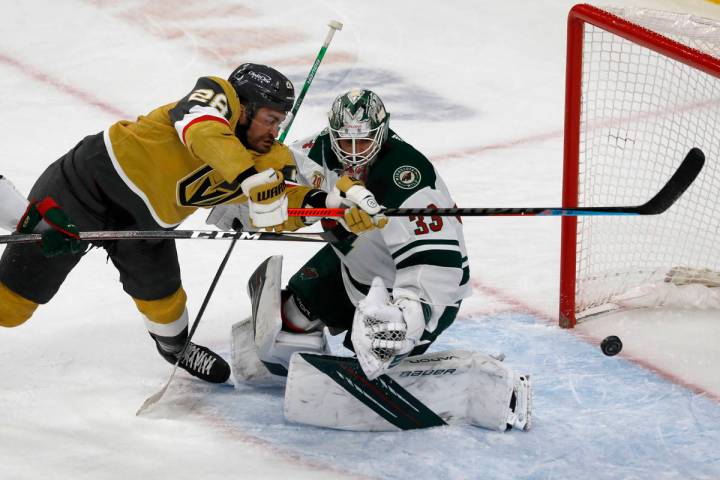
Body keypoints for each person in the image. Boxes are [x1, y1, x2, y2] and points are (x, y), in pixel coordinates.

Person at [0, 66, 386, 385]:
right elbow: (202, 131)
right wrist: (248, 178)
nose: (275, 130)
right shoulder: (216, 95)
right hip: (82, 188)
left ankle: (175, 349)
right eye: (270, 119)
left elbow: (291, 199)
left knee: (166, 303)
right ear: (244, 108)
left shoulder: (265, 158)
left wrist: (332, 208)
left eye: (279, 122)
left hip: (146, 227)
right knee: (10, 309)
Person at [211, 88, 532, 431]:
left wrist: (408, 314)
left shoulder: (409, 177)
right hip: (353, 267)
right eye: (344, 142)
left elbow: (438, 261)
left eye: (362, 143)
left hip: (412, 289)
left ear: (382, 134)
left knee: (381, 349)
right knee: (282, 326)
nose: (351, 154)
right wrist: (245, 198)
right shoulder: (320, 149)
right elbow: (288, 177)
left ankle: (485, 386)